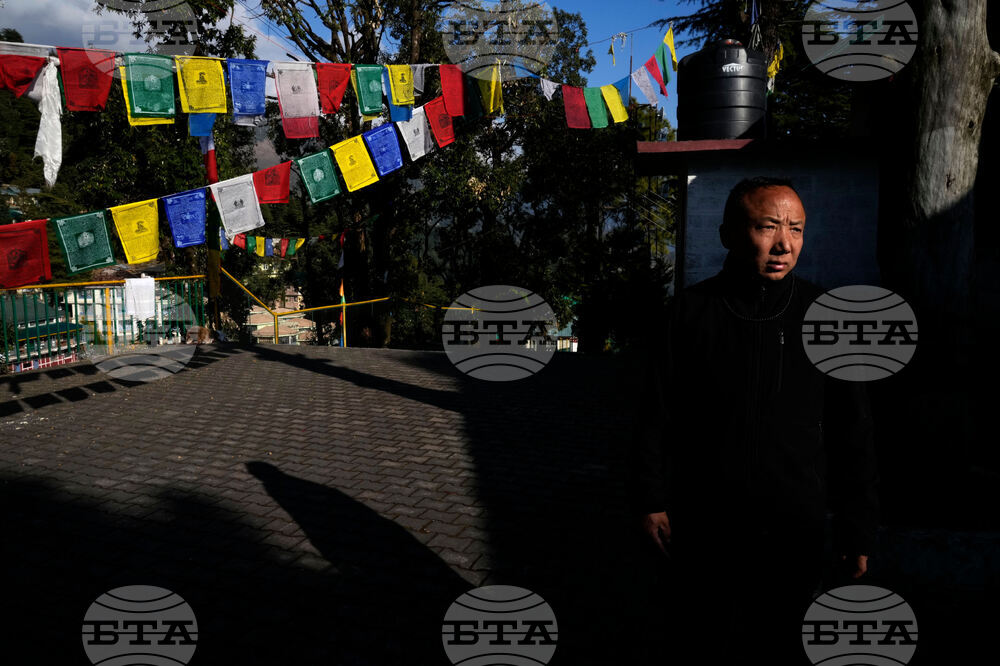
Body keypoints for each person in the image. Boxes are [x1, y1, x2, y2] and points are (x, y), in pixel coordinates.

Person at [631, 176, 879, 663]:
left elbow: (856, 436)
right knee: (698, 640)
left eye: (797, 229)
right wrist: (650, 497)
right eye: (768, 227)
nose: (785, 243)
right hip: (703, 522)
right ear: (729, 234)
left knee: (781, 646)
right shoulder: (689, 312)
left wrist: (858, 528)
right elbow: (653, 413)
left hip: (793, 528)